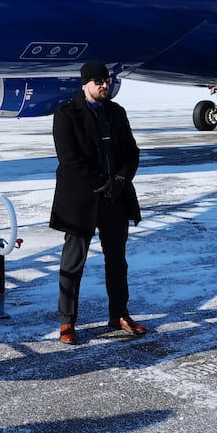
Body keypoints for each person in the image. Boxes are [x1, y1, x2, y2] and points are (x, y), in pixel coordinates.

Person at [50, 61, 146, 344]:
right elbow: (69, 158)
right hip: (82, 199)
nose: (104, 86)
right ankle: (67, 321)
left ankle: (119, 314)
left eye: (106, 81)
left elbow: (131, 151)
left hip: (115, 197)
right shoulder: (66, 114)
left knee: (117, 261)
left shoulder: (116, 113)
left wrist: (119, 180)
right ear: (85, 84)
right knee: (73, 261)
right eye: (98, 82)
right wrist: (100, 182)